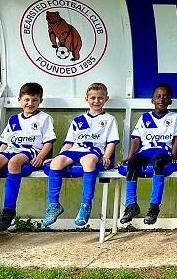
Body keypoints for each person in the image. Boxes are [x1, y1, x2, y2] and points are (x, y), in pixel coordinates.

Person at [0, 82, 56, 235]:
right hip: (12, 149)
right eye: (26, 99)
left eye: (34, 100)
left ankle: (8, 210)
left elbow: (48, 142)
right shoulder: (14, 119)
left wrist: (41, 156)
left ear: (40, 101)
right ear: (19, 99)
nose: (30, 103)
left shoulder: (44, 118)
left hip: (30, 151)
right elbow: (5, 143)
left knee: (14, 162)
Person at [42, 82, 120, 228]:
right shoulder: (78, 120)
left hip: (93, 151)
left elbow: (111, 142)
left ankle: (85, 205)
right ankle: (54, 205)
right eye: (93, 98)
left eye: (100, 98)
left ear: (106, 99)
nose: (96, 101)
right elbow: (69, 143)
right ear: (87, 99)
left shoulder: (109, 120)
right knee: (56, 163)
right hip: (75, 150)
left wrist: (107, 156)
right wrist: (59, 156)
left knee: (89, 161)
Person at [119, 83, 177, 225]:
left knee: (158, 163)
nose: (161, 100)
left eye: (165, 97)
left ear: (170, 101)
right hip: (146, 151)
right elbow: (136, 140)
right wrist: (129, 157)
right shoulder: (144, 118)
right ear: (152, 100)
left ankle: (154, 207)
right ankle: (131, 205)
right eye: (158, 96)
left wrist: (174, 156)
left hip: (163, 151)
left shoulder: (174, 117)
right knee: (133, 164)